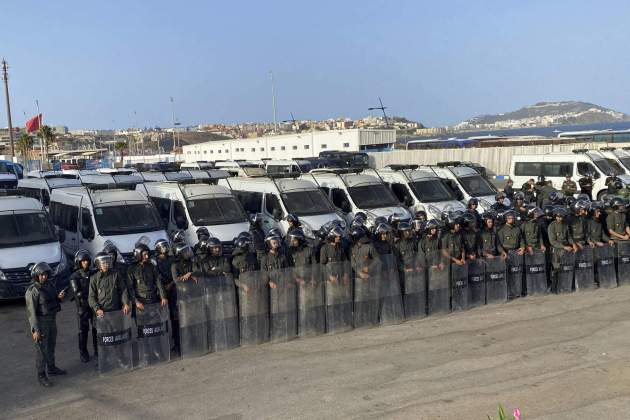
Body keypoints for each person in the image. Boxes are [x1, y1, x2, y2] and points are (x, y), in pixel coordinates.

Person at [25, 262, 67, 387]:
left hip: (52, 320)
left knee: (51, 345)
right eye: (41, 275)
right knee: (42, 350)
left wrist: (59, 297)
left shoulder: (50, 285)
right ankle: (41, 374)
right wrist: (35, 330)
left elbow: (53, 300)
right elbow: (31, 313)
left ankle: (52, 368)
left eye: (45, 274)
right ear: (36, 276)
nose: (44, 277)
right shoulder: (32, 291)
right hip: (41, 323)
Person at [68, 250, 97, 363]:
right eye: (83, 261)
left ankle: (97, 349)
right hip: (83, 307)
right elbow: (77, 292)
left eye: (87, 260)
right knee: (83, 331)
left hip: (93, 305)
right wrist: (91, 292)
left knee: (96, 329)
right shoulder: (74, 276)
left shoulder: (92, 273)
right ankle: (83, 352)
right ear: (78, 262)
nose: (85, 263)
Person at [154, 239, 179, 353]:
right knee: (162, 318)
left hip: (173, 289)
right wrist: (164, 286)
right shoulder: (155, 261)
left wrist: (172, 283)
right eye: (163, 246)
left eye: (166, 245)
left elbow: (176, 273)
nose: (165, 248)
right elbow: (157, 276)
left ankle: (177, 340)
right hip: (161, 291)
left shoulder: (172, 259)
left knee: (175, 316)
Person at [88, 252, 131, 318]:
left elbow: (123, 289)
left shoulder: (116, 275)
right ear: (98, 264)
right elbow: (91, 297)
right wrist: (97, 309)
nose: (106, 264)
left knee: (118, 327)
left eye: (107, 262)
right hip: (102, 311)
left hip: (116, 310)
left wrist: (125, 303)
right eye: (103, 263)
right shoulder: (94, 278)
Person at [127, 243, 168, 311]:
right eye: (144, 255)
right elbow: (130, 288)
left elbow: (158, 282)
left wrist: (163, 296)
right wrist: (136, 302)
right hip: (141, 302)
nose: (147, 257)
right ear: (139, 255)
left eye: (147, 254)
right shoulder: (132, 269)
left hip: (153, 299)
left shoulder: (151, 266)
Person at [547, 207, 576, 293]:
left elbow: (569, 237)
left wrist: (573, 244)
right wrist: (564, 247)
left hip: (566, 249)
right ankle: (554, 288)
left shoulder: (565, 225)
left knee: (566, 268)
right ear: (555, 217)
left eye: (561, 217)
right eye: (558, 217)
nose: (560, 218)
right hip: (556, 250)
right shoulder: (551, 226)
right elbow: (552, 241)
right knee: (556, 269)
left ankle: (565, 286)